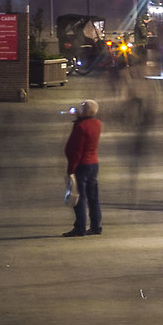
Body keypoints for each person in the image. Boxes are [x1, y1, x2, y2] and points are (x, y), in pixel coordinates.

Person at [64, 100, 103, 235]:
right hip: (94, 164)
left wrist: (71, 170)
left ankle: (80, 227)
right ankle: (96, 226)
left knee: (79, 197)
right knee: (93, 197)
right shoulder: (97, 124)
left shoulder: (81, 127)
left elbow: (76, 150)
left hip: (82, 165)